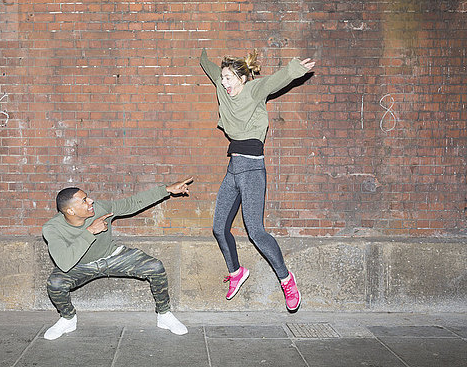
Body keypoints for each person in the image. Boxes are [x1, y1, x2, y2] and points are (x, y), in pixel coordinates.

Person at [200, 48, 315, 312]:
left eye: (229, 78)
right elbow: (209, 67)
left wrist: (296, 69)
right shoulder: (222, 87)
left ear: (241, 78)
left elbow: (276, 81)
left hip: (252, 170)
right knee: (219, 228)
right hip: (233, 169)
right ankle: (236, 271)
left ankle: (287, 280)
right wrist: (203, 55)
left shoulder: (253, 90)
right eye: (223, 79)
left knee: (255, 231)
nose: (224, 83)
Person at [42, 177, 193, 340]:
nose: (91, 201)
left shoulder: (99, 208)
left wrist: (167, 190)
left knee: (155, 267)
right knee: (55, 283)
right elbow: (64, 263)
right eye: (84, 201)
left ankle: (164, 315)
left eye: (88, 197)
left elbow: (132, 203)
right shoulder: (52, 228)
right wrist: (90, 232)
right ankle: (68, 319)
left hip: (111, 256)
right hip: (79, 266)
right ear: (70, 211)